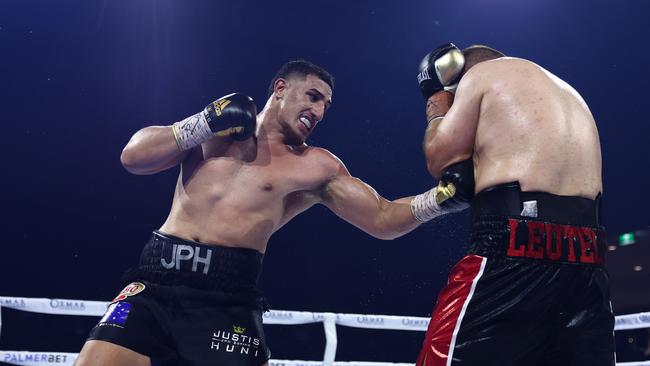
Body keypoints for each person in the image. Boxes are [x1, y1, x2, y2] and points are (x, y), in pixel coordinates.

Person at [74, 60, 462, 366]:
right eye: (312, 96)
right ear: (280, 89)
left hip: (226, 302)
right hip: (155, 284)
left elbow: (381, 217)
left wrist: (440, 198)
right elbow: (133, 157)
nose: (319, 110)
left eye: (325, 104)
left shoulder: (315, 166)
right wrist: (203, 122)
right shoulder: (216, 130)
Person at [411, 43, 614, 365]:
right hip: (588, 257)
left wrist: (438, 104)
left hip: (515, 243)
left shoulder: (479, 76)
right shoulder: (568, 92)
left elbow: (440, 158)